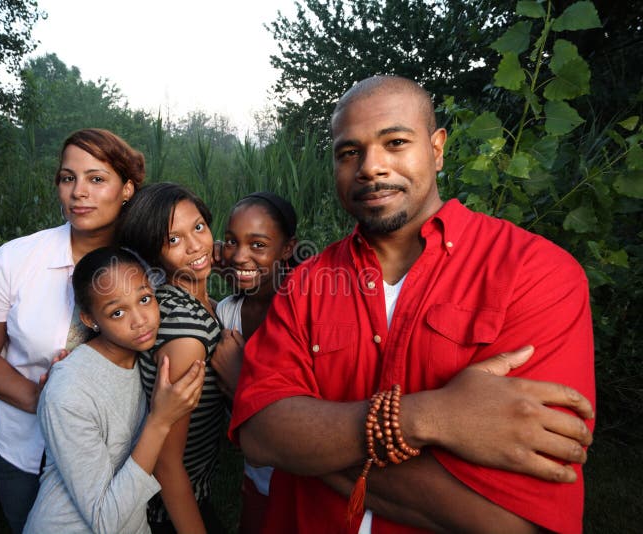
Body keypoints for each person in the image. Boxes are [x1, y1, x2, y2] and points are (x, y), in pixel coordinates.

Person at [229, 76, 596, 534]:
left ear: (437, 148)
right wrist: (431, 416)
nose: (371, 167)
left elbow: (512, 520)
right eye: (349, 152)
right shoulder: (306, 282)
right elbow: (263, 435)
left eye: (395, 142)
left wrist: (312, 448)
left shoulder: (535, 274)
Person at [0, 128, 145, 533]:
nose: (78, 192)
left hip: (120, 452)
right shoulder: (16, 260)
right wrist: (44, 400)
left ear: (126, 189)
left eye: (96, 179)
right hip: (27, 450)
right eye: (67, 178)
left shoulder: (147, 268)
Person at [23, 247, 206, 534]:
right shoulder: (68, 390)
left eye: (145, 299)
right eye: (117, 312)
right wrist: (160, 421)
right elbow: (105, 521)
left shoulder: (144, 358)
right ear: (89, 320)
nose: (140, 320)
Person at [117, 183, 231, 534]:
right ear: (154, 254)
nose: (197, 245)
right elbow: (166, 464)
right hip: (168, 509)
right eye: (174, 240)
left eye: (198, 227)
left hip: (192, 487)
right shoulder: (186, 334)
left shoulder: (186, 300)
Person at [211, 192, 298, 534]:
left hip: (305, 482)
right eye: (232, 241)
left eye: (258, 244)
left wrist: (239, 384)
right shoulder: (228, 312)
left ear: (288, 249)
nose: (240, 255)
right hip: (257, 476)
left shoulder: (301, 311)